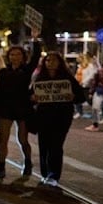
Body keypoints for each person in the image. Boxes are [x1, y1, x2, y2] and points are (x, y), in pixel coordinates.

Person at [31, 51, 85, 187]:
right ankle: (45, 173)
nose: (50, 63)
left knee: (56, 145)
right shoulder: (40, 78)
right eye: (48, 60)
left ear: (60, 62)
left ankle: (54, 174)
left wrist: (73, 97)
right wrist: (33, 99)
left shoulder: (67, 78)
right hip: (43, 116)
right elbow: (31, 95)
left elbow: (81, 96)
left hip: (61, 116)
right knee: (43, 145)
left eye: (54, 60)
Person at [0, 36, 40, 179]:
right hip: (6, 108)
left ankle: (28, 162)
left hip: (22, 108)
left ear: (23, 56)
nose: (15, 57)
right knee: (3, 138)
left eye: (18, 54)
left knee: (22, 139)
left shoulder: (26, 70)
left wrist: (35, 41)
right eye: (12, 54)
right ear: (8, 57)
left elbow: (36, 57)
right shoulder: (3, 72)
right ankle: (1, 167)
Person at [86, 55, 103, 132]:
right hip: (100, 91)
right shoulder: (100, 71)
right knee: (95, 108)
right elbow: (94, 82)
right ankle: (95, 125)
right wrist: (91, 92)